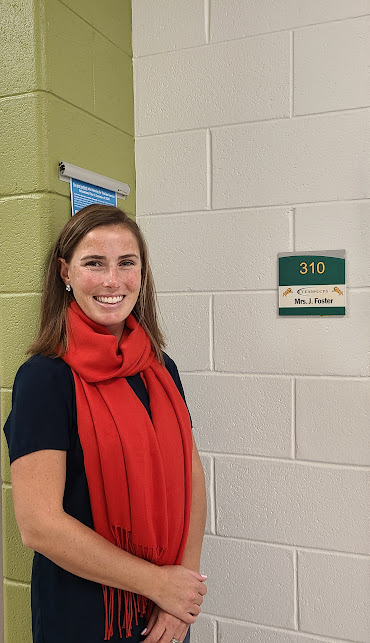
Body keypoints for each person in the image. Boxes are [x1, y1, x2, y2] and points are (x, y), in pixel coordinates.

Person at [4, 204, 207, 643]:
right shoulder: (45, 378)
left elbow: (191, 474)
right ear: (66, 273)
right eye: (94, 263)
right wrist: (157, 584)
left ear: (142, 273)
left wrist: (182, 591)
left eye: (126, 263)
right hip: (85, 616)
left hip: (164, 613)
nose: (112, 280)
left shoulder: (159, 368)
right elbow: (38, 523)